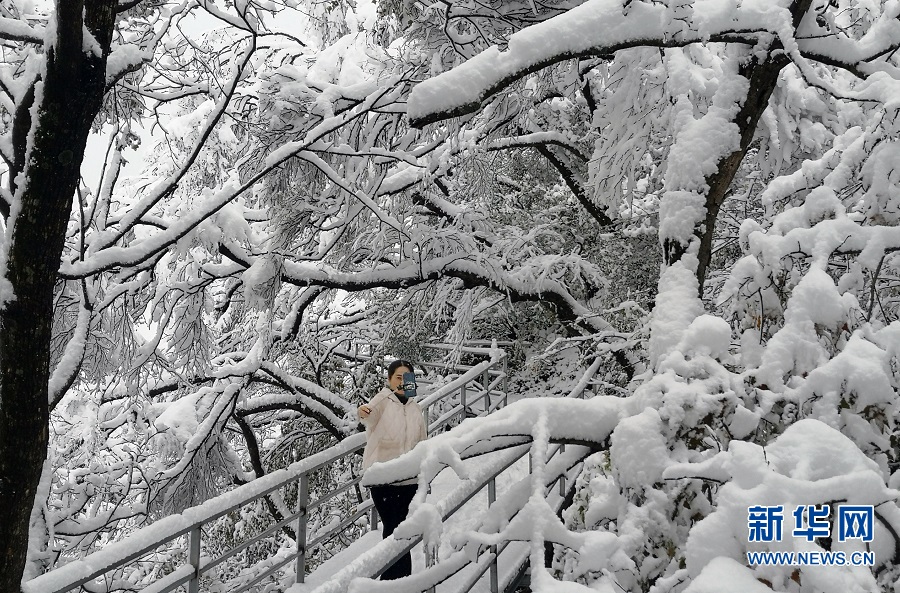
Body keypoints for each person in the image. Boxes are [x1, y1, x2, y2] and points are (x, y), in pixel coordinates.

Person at [358, 359, 428, 580]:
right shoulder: (383, 400)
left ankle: (399, 580)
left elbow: (422, 442)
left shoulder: (416, 408)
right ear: (389, 380)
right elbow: (368, 415)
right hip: (384, 478)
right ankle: (392, 581)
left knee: (402, 530)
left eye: (407, 377)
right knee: (392, 528)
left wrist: (425, 473)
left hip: (409, 479)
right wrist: (363, 411)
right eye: (398, 377)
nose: (403, 381)